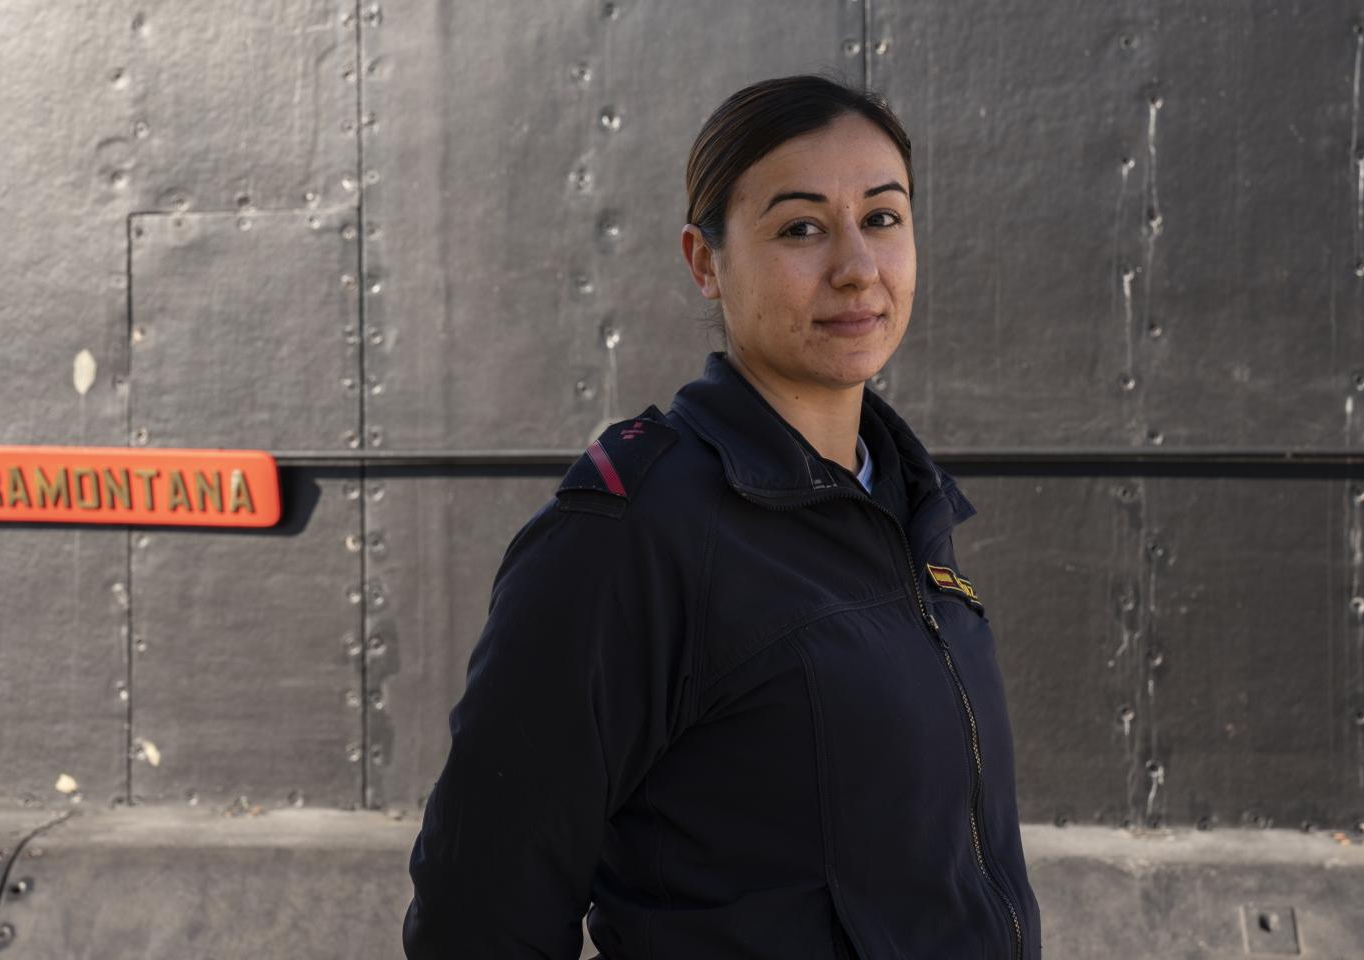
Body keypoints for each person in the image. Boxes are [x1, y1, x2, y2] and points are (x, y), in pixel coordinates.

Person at [402, 73, 1041, 959]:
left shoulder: (904, 508)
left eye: (883, 218)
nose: (857, 266)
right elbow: (481, 909)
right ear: (706, 262)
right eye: (801, 228)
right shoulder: (632, 535)